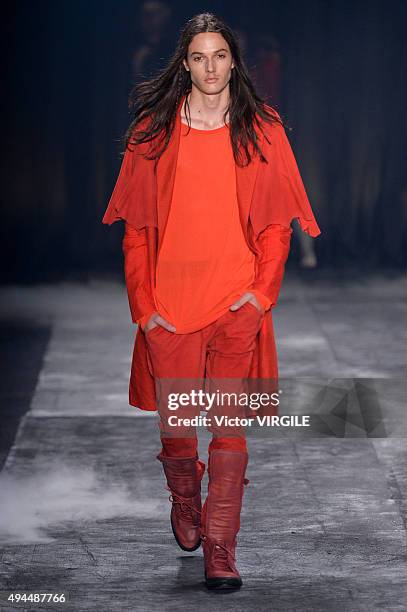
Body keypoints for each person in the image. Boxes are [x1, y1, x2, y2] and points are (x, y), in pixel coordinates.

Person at [102, 12, 321, 590]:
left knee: (229, 429)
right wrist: (145, 311)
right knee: (178, 431)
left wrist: (257, 297)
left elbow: (276, 226)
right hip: (170, 308)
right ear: (184, 62)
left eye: (220, 55)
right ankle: (183, 501)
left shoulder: (262, 128)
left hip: (235, 304)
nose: (210, 67)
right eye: (198, 56)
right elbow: (137, 233)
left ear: (234, 61)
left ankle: (221, 548)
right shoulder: (154, 132)